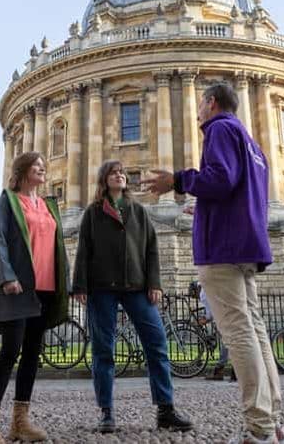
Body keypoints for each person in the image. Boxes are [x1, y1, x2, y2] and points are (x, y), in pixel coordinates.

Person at [143, 83, 284, 444]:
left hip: (222, 248)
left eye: (199, 105)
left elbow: (221, 179)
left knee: (238, 333)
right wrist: (204, 208)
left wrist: (178, 180)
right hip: (246, 244)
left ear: (211, 102)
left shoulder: (220, 129)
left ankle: (260, 428)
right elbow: (237, 192)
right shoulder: (252, 144)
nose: (197, 113)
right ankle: (273, 421)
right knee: (255, 331)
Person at [72, 160, 193, 434]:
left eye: (122, 172)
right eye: (114, 172)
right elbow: (83, 250)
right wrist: (79, 286)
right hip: (101, 287)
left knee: (157, 344)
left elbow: (151, 248)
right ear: (104, 179)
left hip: (137, 286)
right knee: (103, 350)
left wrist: (155, 283)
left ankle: (165, 409)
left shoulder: (138, 210)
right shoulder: (92, 212)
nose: (120, 175)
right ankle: (106, 412)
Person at [0, 152, 69, 444]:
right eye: (36, 165)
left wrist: (66, 282)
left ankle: (20, 422)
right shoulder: (9, 200)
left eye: (43, 165)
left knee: (31, 354)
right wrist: (6, 277)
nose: (42, 168)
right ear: (23, 171)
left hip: (45, 287)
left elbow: (56, 246)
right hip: (18, 285)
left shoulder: (48, 204)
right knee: (9, 351)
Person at [197, 283, 236, 382]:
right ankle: (231, 370)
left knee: (227, 343)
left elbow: (211, 311)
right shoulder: (213, 287)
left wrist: (205, 319)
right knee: (231, 342)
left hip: (224, 318)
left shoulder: (204, 293)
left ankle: (223, 370)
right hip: (229, 314)